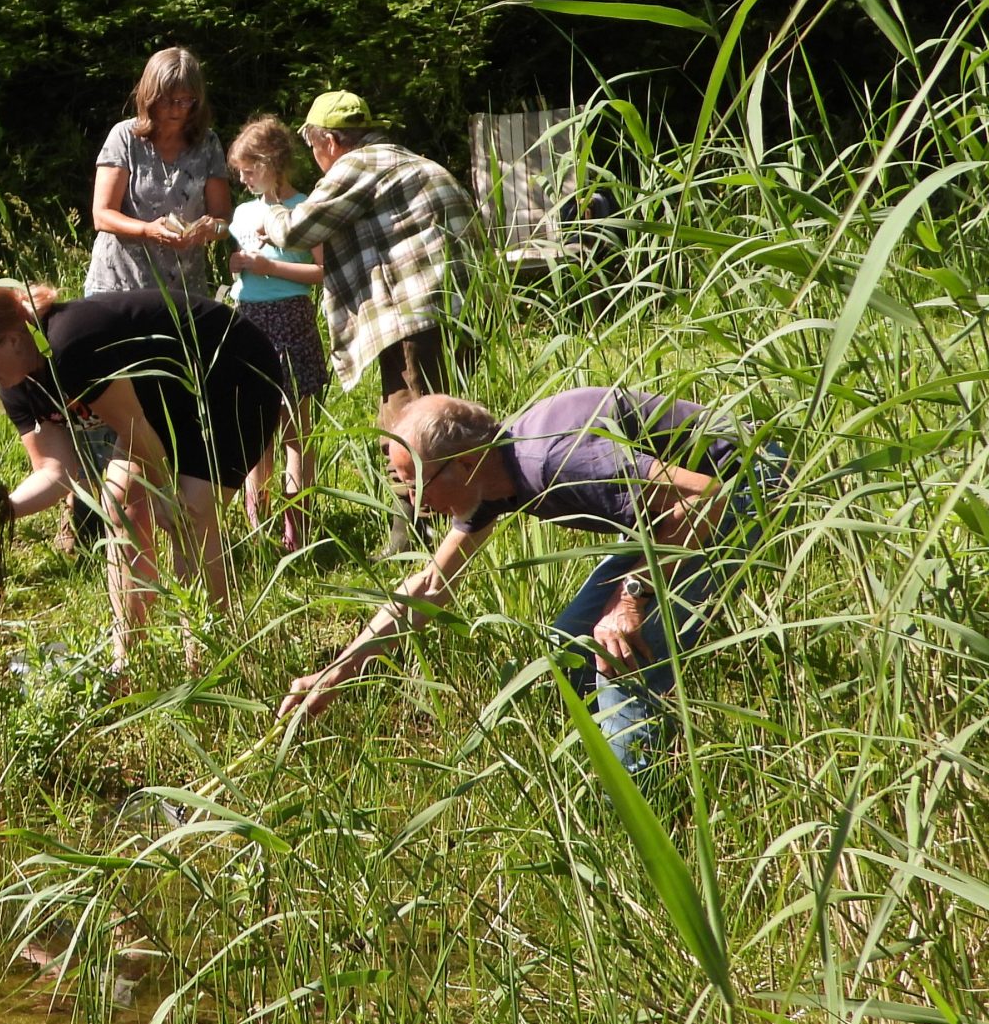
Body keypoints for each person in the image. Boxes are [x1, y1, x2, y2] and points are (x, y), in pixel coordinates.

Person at [277, 388, 786, 773]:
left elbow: (705, 497)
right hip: (666, 520)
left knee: (616, 652)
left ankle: (642, 822)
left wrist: (633, 597)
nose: (415, 505)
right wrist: (335, 674)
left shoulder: (555, 461)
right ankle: (606, 770)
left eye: (417, 487)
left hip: (751, 490)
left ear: (465, 463)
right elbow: (429, 587)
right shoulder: (494, 479)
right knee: (567, 645)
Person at [0, 284, 284, 670]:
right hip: (161, 403)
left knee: (190, 513)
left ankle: (210, 659)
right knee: (119, 503)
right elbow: (56, 470)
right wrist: (2, 509)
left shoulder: (70, 345)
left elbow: (135, 428)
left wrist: (167, 496)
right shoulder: (16, 384)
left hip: (230, 374)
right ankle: (129, 660)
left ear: (12, 339)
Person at [264, 91, 477, 556]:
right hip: (462, 308)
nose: (316, 159)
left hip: (417, 308)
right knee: (449, 419)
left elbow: (300, 232)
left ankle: (416, 541)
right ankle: (460, 521)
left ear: (329, 141)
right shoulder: (404, 160)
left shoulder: (356, 166)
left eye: (314, 148)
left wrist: (273, 210)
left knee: (409, 424)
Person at [224, 115, 330, 553]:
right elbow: (243, 260)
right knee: (255, 426)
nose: (244, 178)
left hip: (291, 318)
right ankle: (256, 521)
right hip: (248, 318)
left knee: (295, 429)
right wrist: (237, 265)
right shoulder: (244, 211)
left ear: (272, 163)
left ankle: (296, 529)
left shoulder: (306, 206)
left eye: (250, 169)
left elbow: (320, 271)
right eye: (241, 171)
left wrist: (270, 267)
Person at [84, 46, 233, 301]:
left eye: (185, 100)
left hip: (184, 289)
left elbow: (224, 220)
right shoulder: (125, 137)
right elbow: (102, 215)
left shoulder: (208, 143)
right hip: (120, 286)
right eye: (167, 100)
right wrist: (148, 230)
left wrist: (210, 228)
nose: (176, 109)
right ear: (150, 96)